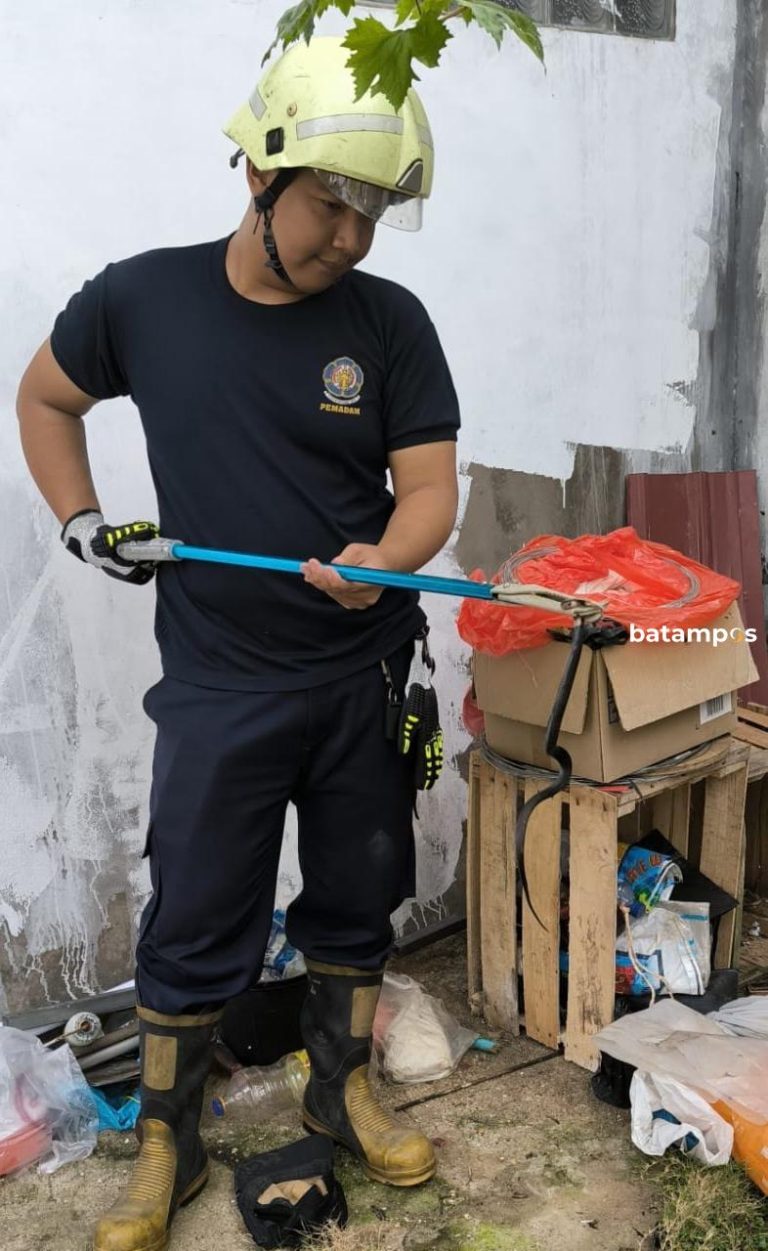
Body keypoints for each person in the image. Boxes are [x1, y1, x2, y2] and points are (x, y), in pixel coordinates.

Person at [16, 35, 460, 1251]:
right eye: (332, 206)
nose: (353, 240)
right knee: (195, 913)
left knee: (360, 895)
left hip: (363, 675)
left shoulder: (390, 324)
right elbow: (44, 396)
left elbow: (429, 490)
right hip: (220, 683)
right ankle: (167, 1135)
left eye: (377, 217)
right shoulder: (141, 299)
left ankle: (342, 1081)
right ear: (260, 172)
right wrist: (82, 523)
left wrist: (391, 557)